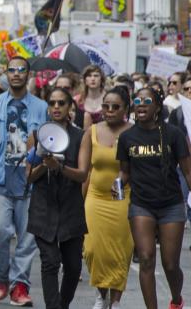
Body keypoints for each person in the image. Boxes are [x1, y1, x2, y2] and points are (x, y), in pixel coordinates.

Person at [116, 87, 191, 309]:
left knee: (170, 264)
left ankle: (176, 299)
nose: (141, 104)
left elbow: (187, 171)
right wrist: (117, 183)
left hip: (171, 205)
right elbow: (125, 172)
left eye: (147, 101)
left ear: (157, 106)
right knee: (146, 258)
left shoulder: (172, 134)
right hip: (141, 205)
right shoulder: (127, 137)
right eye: (137, 100)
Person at [0, 56, 48, 306]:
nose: (16, 74)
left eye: (21, 70)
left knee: (27, 238)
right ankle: (2, 277)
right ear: (6, 74)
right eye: (12, 70)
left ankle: (20, 285)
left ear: (28, 75)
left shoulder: (41, 107)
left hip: (30, 180)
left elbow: (49, 142)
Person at [26, 88, 87, 309]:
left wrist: (59, 167)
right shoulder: (35, 135)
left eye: (61, 103)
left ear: (70, 106)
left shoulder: (81, 136)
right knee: (50, 262)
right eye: (52, 103)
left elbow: (82, 174)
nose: (57, 107)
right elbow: (29, 177)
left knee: (73, 267)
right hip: (44, 207)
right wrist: (44, 164)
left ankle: (62, 304)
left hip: (71, 206)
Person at [81, 87, 133, 309]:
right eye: (105, 106)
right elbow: (84, 172)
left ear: (125, 109)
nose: (109, 111)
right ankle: (101, 294)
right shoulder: (91, 131)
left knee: (120, 250)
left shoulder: (134, 132)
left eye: (115, 107)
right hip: (95, 197)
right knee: (92, 248)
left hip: (124, 198)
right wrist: (78, 203)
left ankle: (116, 301)